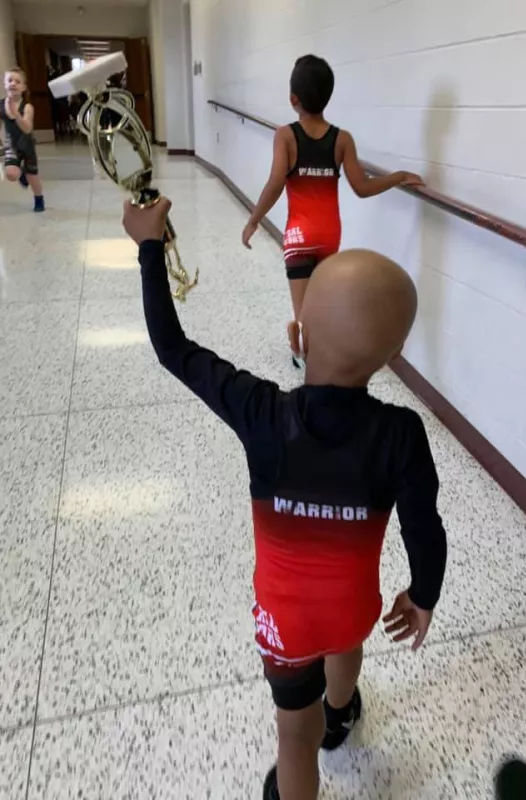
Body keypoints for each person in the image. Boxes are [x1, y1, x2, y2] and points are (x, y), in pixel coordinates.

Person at [123, 197, 447, 800]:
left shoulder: (263, 413)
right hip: (352, 605)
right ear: (391, 358)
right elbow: (424, 528)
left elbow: (175, 350)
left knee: (294, 739)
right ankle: (343, 710)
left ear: (298, 334)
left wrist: (149, 248)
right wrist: (423, 594)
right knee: (345, 644)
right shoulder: (402, 434)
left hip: (286, 621)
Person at [242, 55, 423, 364]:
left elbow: (275, 184)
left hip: (299, 235)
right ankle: (323, 353)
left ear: (292, 99)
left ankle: (302, 353)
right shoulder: (342, 139)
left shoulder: (285, 136)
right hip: (329, 235)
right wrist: (398, 177)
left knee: (302, 313)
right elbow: (361, 188)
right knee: (324, 301)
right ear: (328, 97)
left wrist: (254, 220)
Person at [1, 67, 45, 212]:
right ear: (4, 84)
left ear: (23, 88)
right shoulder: (1, 105)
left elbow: (27, 128)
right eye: (10, 80)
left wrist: (16, 114)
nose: (13, 83)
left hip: (27, 145)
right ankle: (21, 175)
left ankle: (39, 199)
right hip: (11, 145)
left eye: (17, 81)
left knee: (33, 176)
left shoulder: (27, 107)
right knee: (10, 174)